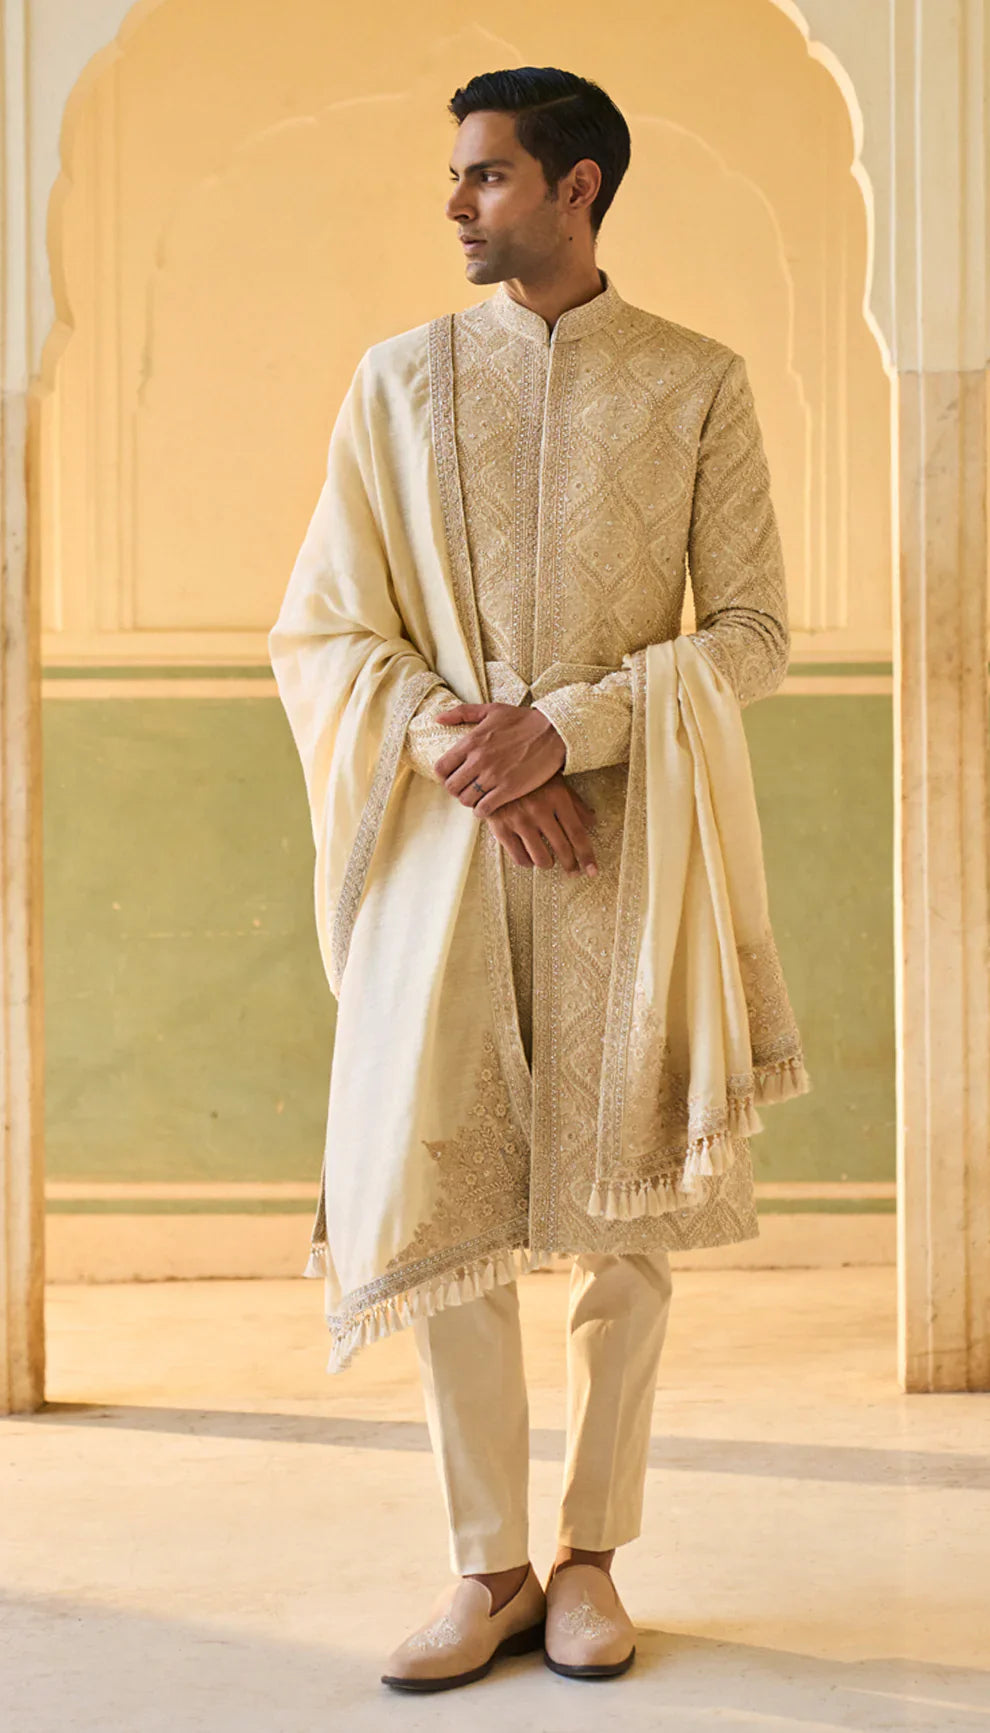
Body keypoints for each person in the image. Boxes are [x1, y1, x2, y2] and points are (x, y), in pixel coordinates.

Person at [268, 65, 810, 1692]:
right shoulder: (397, 382)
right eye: (455, 175)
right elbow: (324, 627)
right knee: (450, 1197)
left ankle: (589, 1557)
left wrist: (564, 733)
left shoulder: (695, 382)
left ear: (577, 187)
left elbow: (752, 633)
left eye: (487, 175)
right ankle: (485, 1563)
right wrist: (475, 752)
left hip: (629, 840)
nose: (456, 203)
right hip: (448, 836)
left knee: (623, 1223)